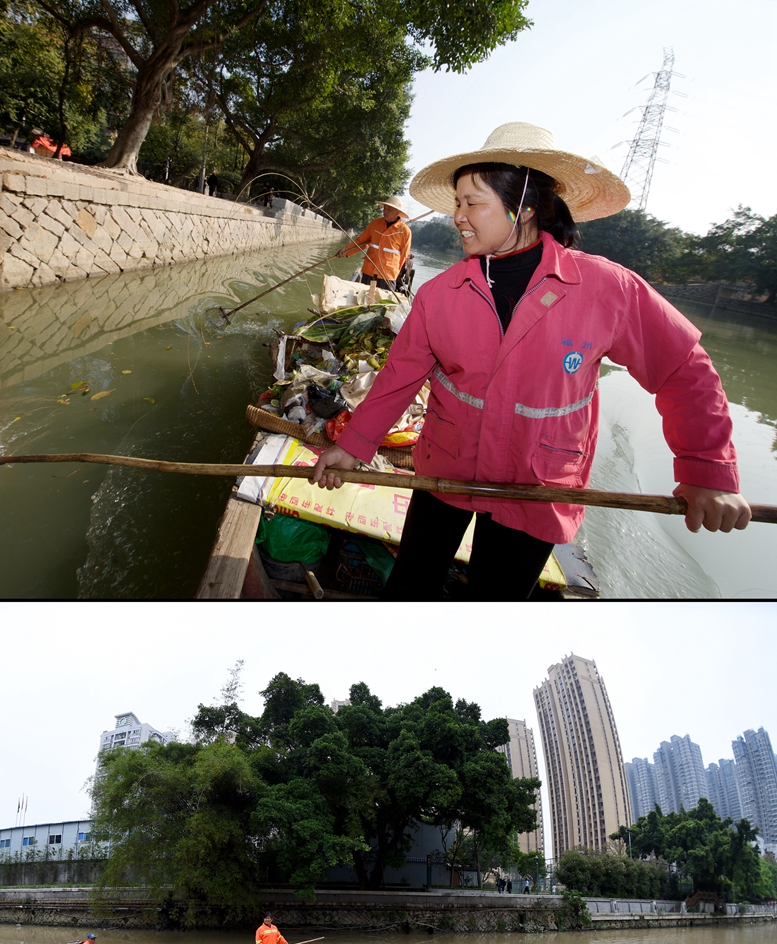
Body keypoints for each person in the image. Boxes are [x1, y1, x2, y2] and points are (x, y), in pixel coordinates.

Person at [313, 122, 751, 600]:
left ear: (523, 206)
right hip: (447, 466)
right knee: (411, 583)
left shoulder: (607, 289)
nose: (457, 216)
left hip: (539, 483)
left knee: (495, 600)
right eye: (456, 202)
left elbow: (684, 371)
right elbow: (399, 376)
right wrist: (353, 444)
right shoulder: (440, 294)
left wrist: (708, 472)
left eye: (471, 202)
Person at [337, 195, 413, 292]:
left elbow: (404, 256)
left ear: (397, 213)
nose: (385, 211)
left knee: (381, 304)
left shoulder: (405, 232)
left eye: (389, 209)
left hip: (387, 276)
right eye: (385, 208)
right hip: (369, 270)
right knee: (363, 300)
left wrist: (395, 273)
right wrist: (346, 250)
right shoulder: (375, 224)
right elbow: (361, 242)